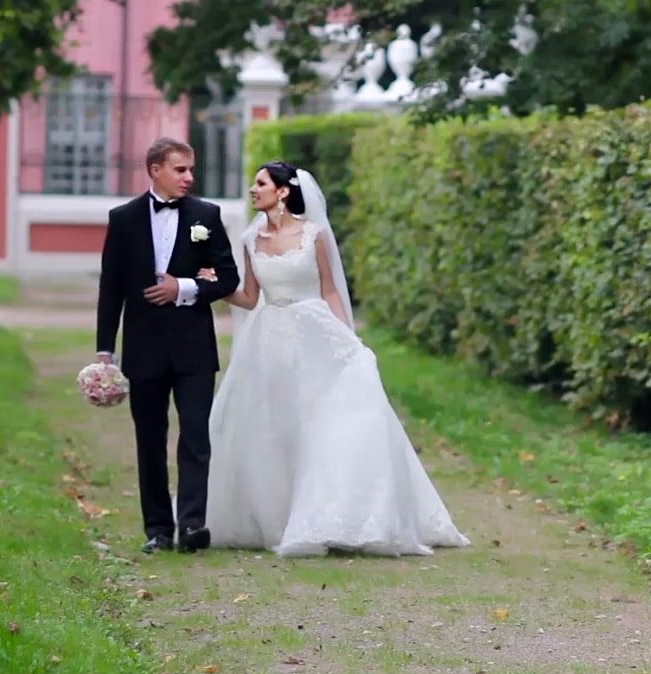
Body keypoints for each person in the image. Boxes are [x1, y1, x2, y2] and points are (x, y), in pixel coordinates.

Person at [199, 161, 471, 557]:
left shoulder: (314, 235)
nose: (253, 189)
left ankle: (332, 514)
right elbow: (250, 297)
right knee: (272, 424)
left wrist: (347, 337)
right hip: (269, 337)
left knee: (322, 419)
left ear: (284, 191)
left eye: (261, 183)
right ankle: (277, 515)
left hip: (314, 330)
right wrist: (216, 288)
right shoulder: (250, 238)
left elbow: (329, 290)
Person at [95, 137, 240, 554]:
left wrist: (185, 287)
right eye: (180, 170)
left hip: (194, 345)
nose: (189, 177)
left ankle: (193, 524)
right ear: (154, 169)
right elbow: (111, 289)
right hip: (143, 347)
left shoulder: (205, 215)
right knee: (150, 438)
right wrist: (105, 349)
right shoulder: (122, 219)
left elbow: (228, 277)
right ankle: (157, 528)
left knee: (195, 436)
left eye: (191, 169)